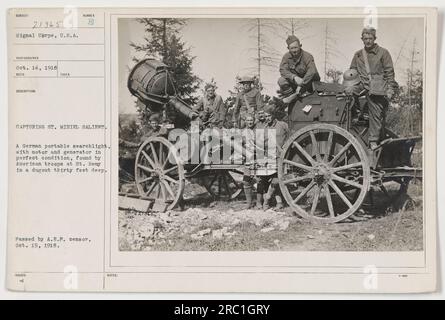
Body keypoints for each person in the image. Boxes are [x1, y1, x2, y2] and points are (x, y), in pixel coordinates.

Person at [349, 27, 398, 150]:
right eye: (365, 39)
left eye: (370, 38)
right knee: (347, 93)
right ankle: (356, 116)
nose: (368, 41)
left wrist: (390, 89)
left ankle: (373, 141)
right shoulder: (358, 55)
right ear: (362, 39)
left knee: (375, 113)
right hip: (361, 84)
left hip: (377, 87)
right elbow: (352, 72)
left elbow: (389, 73)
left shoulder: (383, 53)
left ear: (374, 39)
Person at [259, 104, 289, 210]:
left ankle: (267, 199)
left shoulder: (283, 125)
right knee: (273, 180)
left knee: (277, 180)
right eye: (265, 116)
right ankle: (279, 203)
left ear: (273, 115)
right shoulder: (265, 128)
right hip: (269, 157)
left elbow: (291, 137)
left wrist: (285, 148)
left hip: (282, 156)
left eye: (268, 116)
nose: (267, 118)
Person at [278, 35, 320, 100]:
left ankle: (299, 96)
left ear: (300, 46)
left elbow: (312, 71)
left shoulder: (307, 56)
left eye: (296, 47)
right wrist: (294, 77)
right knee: (281, 80)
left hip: (309, 83)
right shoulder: (286, 57)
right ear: (288, 48)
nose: (294, 50)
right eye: (292, 48)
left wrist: (302, 84)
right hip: (297, 84)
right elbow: (282, 70)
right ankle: (293, 99)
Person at [241, 114, 263, 209]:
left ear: (254, 121)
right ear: (245, 121)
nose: (250, 122)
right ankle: (249, 203)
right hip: (248, 158)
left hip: (258, 158)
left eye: (251, 120)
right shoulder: (243, 132)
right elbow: (240, 145)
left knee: (259, 180)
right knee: (246, 181)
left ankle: (259, 203)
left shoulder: (257, 131)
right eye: (248, 120)